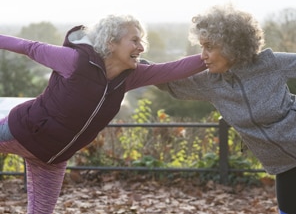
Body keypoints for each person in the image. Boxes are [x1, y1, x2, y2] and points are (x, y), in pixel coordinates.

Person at [0, 14, 206, 214]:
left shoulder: (130, 77)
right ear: (110, 43)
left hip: (53, 158)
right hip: (21, 131)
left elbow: (172, 69)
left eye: (141, 41)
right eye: (134, 40)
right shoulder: (75, 61)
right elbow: (29, 47)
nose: (141, 47)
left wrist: (210, 55)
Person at [157, 4, 296, 214]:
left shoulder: (268, 64)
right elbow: (167, 81)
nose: (202, 55)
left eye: (209, 47)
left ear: (231, 46)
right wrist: (133, 68)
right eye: (201, 47)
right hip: (288, 165)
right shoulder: (210, 83)